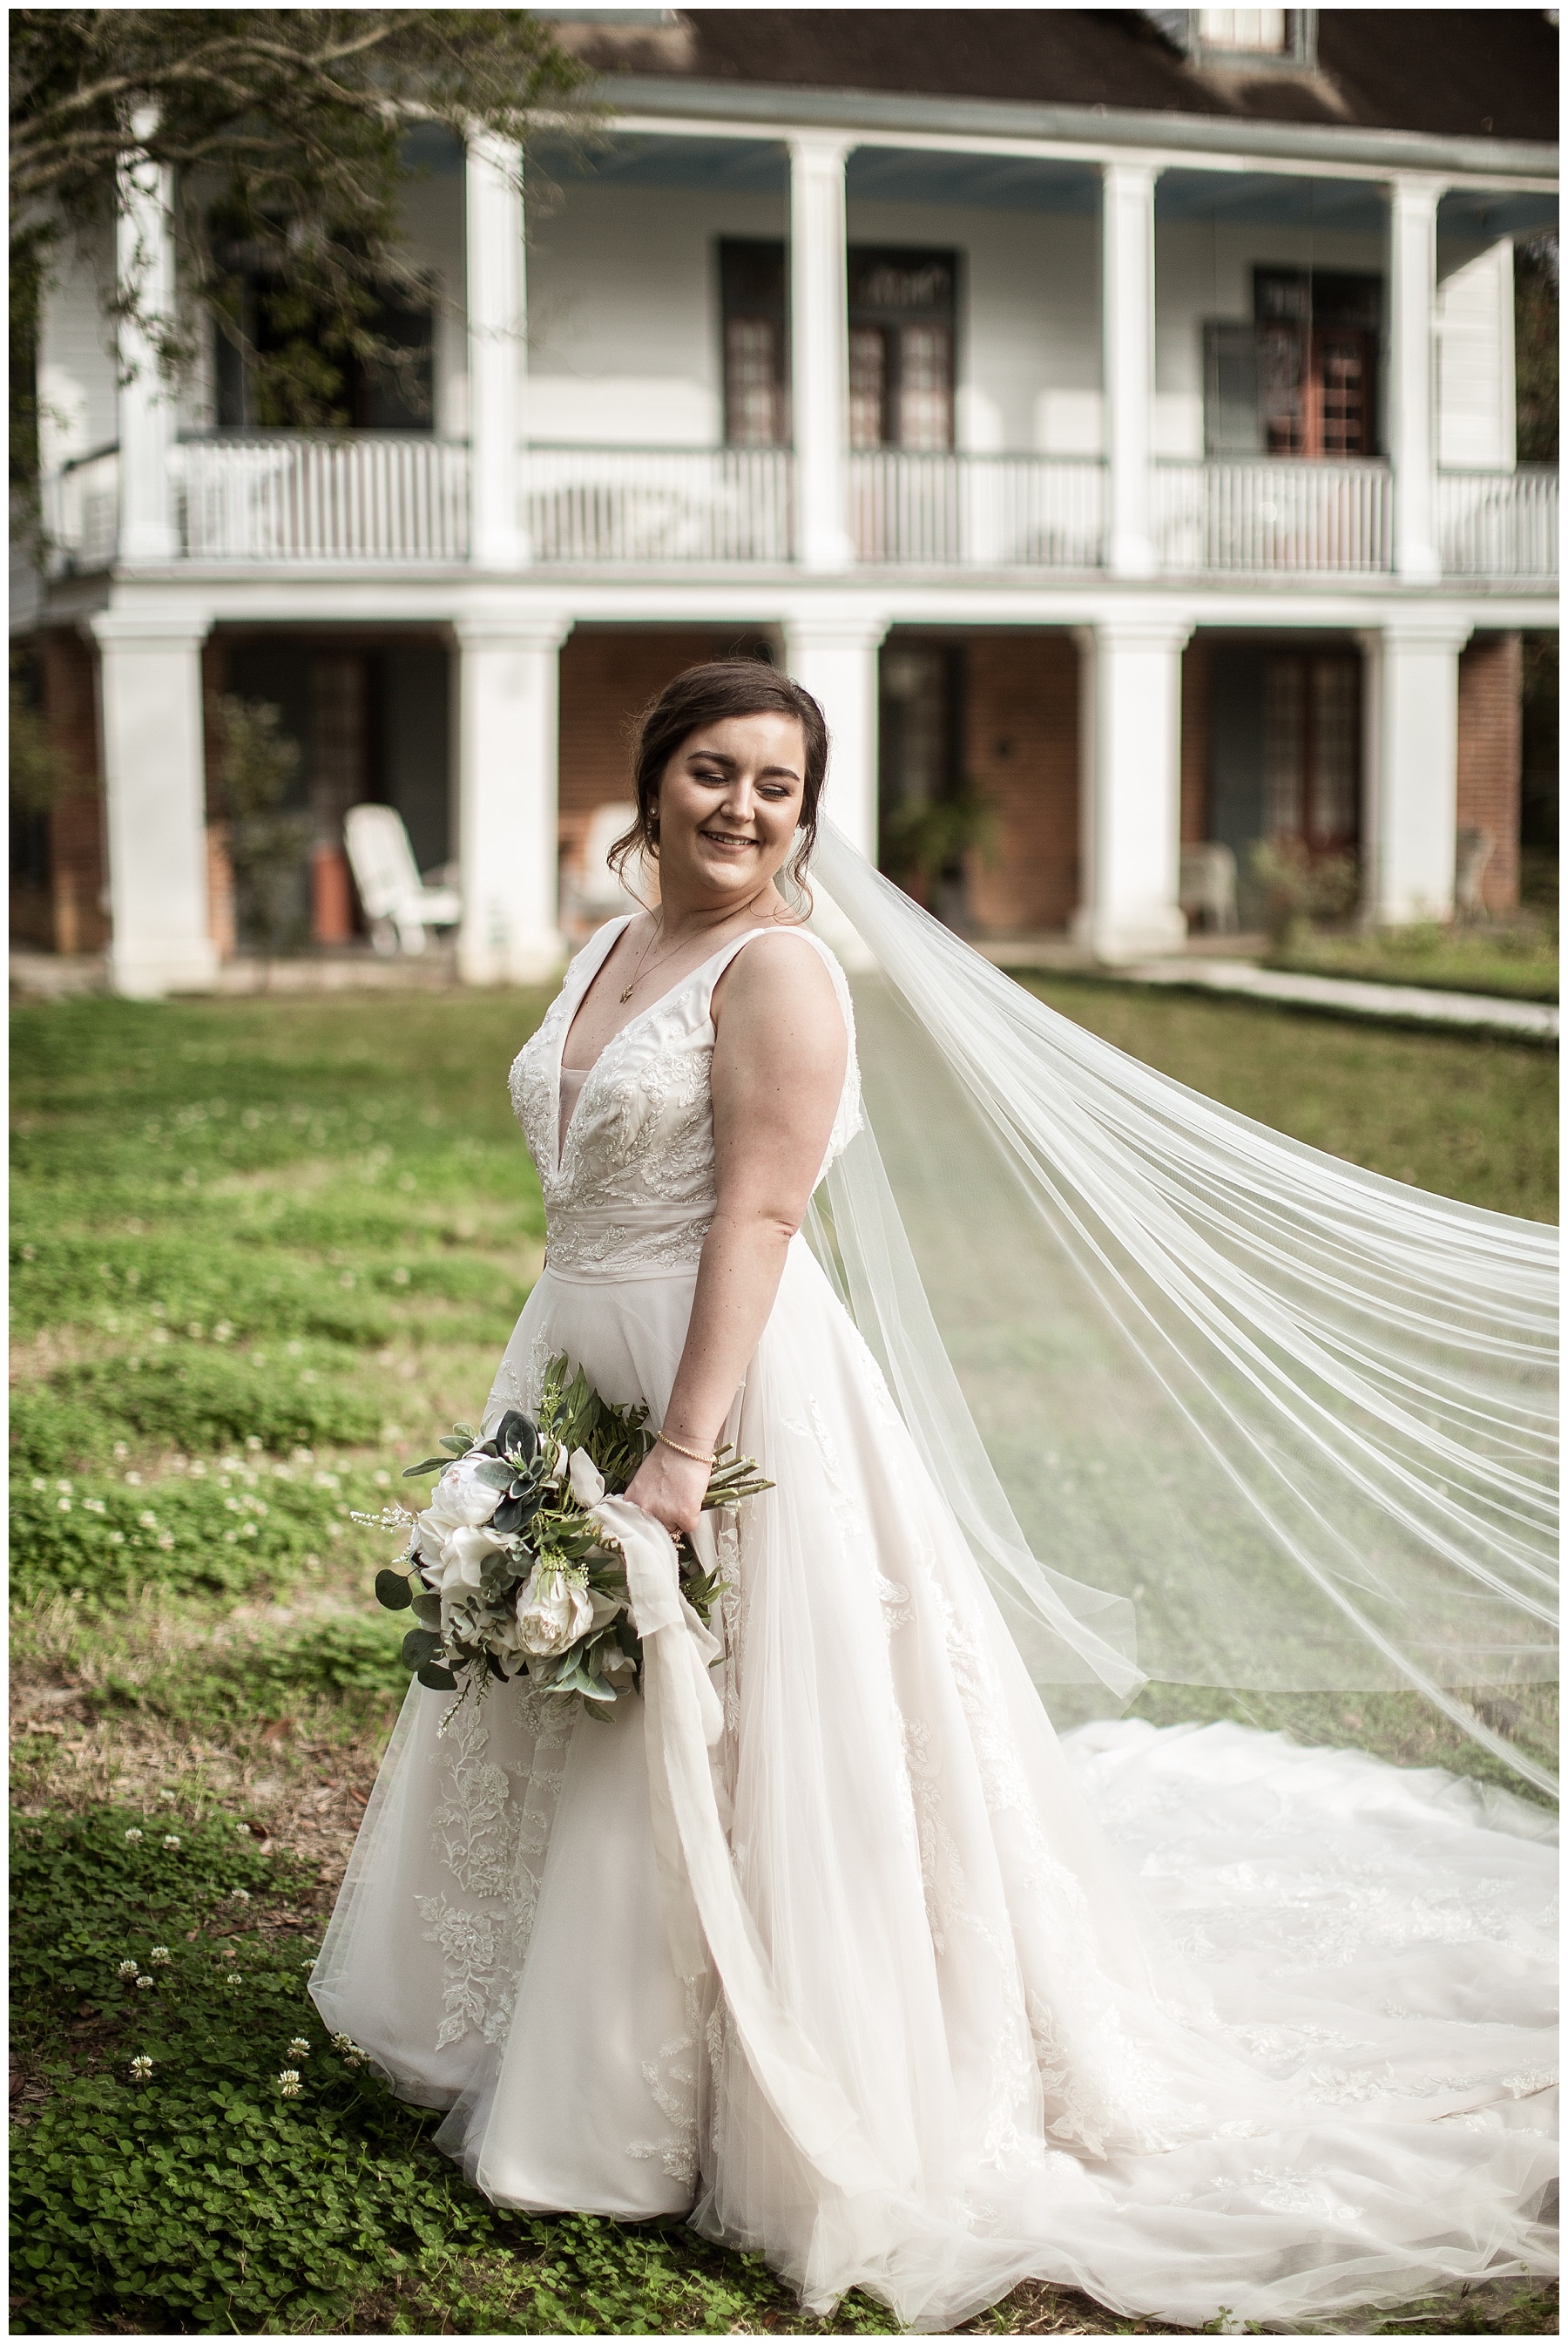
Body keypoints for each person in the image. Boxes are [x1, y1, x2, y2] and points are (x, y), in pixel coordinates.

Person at [314, 662, 1556, 2334]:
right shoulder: (610, 948)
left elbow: (752, 1223)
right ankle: (546, 2024)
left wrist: (682, 1457)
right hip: (572, 1358)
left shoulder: (785, 973)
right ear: (650, 782)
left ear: (807, 811)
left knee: (733, 1715)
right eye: (712, 771)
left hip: (728, 1384)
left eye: (778, 782)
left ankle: (674, 2091)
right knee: (586, 1702)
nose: (744, 806)